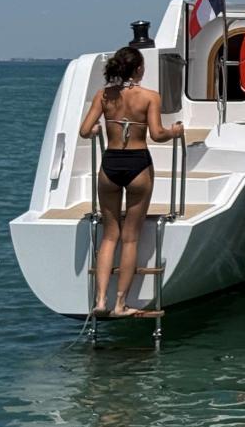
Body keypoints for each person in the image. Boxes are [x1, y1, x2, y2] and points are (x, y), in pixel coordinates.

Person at [78, 45, 183, 318]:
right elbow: (157, 134)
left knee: (109, 236)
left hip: (110, 165)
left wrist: (98, 129)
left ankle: (101, 301)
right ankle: (120, 304)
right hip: (138, 165)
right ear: (137, 69)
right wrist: (174, 132)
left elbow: (84, 131)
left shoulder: (103, 95)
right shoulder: (150, 97)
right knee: (130, 238)